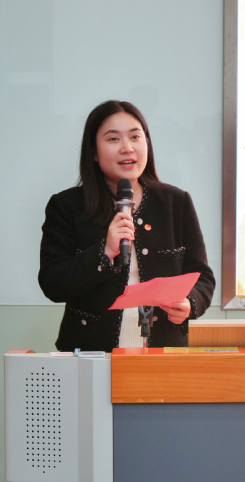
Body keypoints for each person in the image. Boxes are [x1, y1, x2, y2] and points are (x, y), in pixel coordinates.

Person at [38, 100, 215, 351]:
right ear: (94, 152)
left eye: (135, 137)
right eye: (113, 139)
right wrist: (103, 252)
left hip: (163, 352)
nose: (127, 148)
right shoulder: (67, 206)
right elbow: (52, 284)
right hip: (90, 353)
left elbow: (202, 277)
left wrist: (189, 303)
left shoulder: (175, 202)